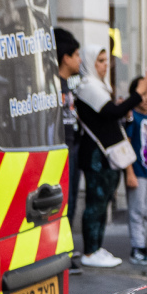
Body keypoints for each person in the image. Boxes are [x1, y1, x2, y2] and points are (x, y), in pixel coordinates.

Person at [74, 54, 147, 268]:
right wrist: (137, 94)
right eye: (99, 60)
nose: (105, 65)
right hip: (96, 156)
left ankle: (97, 247)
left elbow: (112, 114)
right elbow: (112, 111)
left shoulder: (99, 87)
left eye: (105, 60)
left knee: (104, 202)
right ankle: (90, 251)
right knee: (96, 203)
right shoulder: (88, 87)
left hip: (107, 156)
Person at [123, 77, 147, 266]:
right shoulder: (133, 118)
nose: (146, 99)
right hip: (137, 172)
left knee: (146, 211)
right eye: (143, 94)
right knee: (137, 212)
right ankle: (136, 249)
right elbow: (128, 144)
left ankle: (142, 245)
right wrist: (129, 172)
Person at [53, 28, 84, 273]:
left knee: (72, 198)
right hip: (60, 147)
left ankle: (68, 247)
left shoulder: (69, 85)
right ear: (65, 57)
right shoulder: (53, 85)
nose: (79, 60)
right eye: (76, 55)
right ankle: (64, 250)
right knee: (65, 200)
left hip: (73, 145)